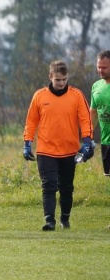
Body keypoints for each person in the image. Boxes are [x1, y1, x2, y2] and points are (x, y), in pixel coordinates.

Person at [23, 60, 94, 231]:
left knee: (66, 187)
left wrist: (87, 141)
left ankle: (65, 218)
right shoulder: (40, 96)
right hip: (46, 150)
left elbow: (85, 120)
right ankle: (50, 221)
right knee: (48, 185)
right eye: (58, 80)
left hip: (69, 150)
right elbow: (31, 121)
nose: (61, 83)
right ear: (50, 77)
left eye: (64, 79)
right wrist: (27, 143)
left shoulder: (76, 95)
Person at [89, 50, 110, 229]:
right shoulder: (96, 86)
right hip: (106, 141)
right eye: (99, 67)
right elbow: (93, 113)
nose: (101, 70)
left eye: (104, 67)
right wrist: (88, 136)